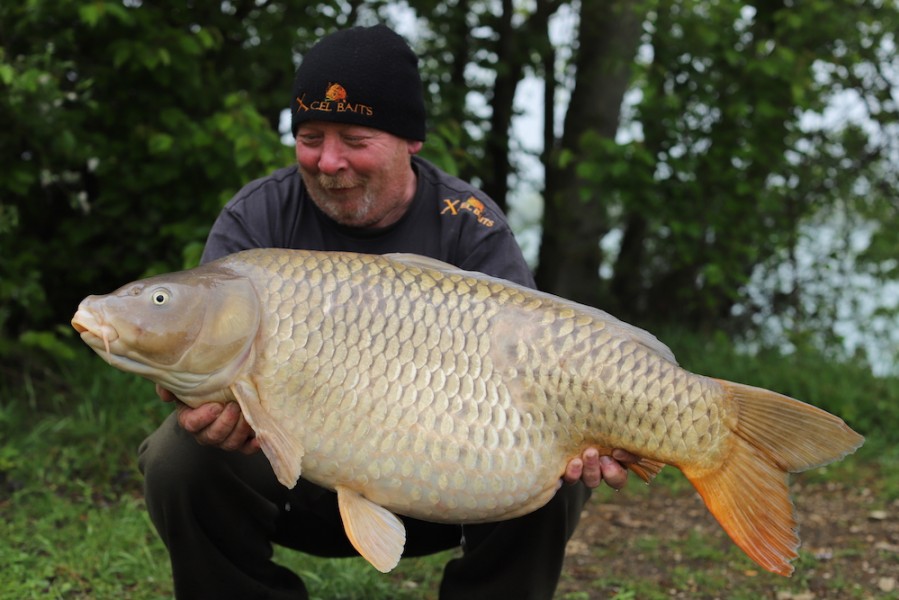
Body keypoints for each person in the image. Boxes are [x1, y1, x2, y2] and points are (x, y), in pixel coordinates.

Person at [138, 24, 635, 600]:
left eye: (354, 138)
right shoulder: (258, 220)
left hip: (445, 480)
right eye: (310, 135)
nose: (328, 162)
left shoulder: (468, 224)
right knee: (178, 458)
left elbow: (536, 373)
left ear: (410, 140)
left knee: (558, 470)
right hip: (290, 476)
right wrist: (200, 401)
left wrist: (595, 431)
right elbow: (195, 362)